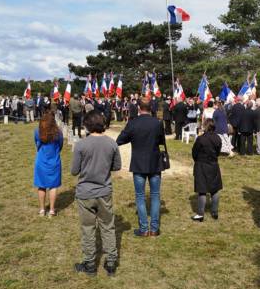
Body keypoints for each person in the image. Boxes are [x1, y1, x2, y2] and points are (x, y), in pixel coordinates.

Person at [71, 111, 122, 277]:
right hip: (104, 191)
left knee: (88, 228)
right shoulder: (111, 144)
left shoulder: (81, 144)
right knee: (108, 226)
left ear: (87, 125)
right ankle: (111, 262)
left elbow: (74, 171)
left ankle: (90, 263)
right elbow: (116, 166)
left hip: (85, 192)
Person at [116, 97, 166, 237]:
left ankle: (144, 229)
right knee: (155, 195)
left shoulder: (133, 123)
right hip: (155, 163)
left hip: (139, 163)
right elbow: (161, 141)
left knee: (140, 196)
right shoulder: (157, 123)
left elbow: (120, 140)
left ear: (139, 108)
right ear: (151, 108)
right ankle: (154, 229)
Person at [191, 119, 222, 221]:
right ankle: (214, 212)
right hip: (213, 165)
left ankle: (200, 214)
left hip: (202, 165)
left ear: (206, 126)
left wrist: (198, 160)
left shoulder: (201, 139)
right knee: (214, 189)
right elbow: (218, 152)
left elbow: (194, 153)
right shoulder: (218, 138)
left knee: (202, 190)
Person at [33, 111, 63, 217]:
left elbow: (36, 144)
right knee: (53, 186)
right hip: (54, 161)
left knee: (41, 186)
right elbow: (60, 146)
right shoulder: (58, 133)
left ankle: (42, 209)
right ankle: (51, 210)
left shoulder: (37, 131)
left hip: (41, 161)